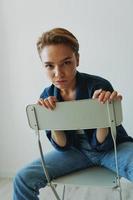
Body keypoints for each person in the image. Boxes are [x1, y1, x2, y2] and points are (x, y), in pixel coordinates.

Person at [13, 27, 133, 200]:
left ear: (77, 59)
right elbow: (63, 146)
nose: (58, 73)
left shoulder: (99, 86)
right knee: (23, 179)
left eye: (66, 62)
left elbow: (103, 145)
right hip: (74, 151)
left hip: (113, 147)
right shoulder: (47, 96)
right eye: (49, 66)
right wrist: (51, 119)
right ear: (43, 66)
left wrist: (101, 110)